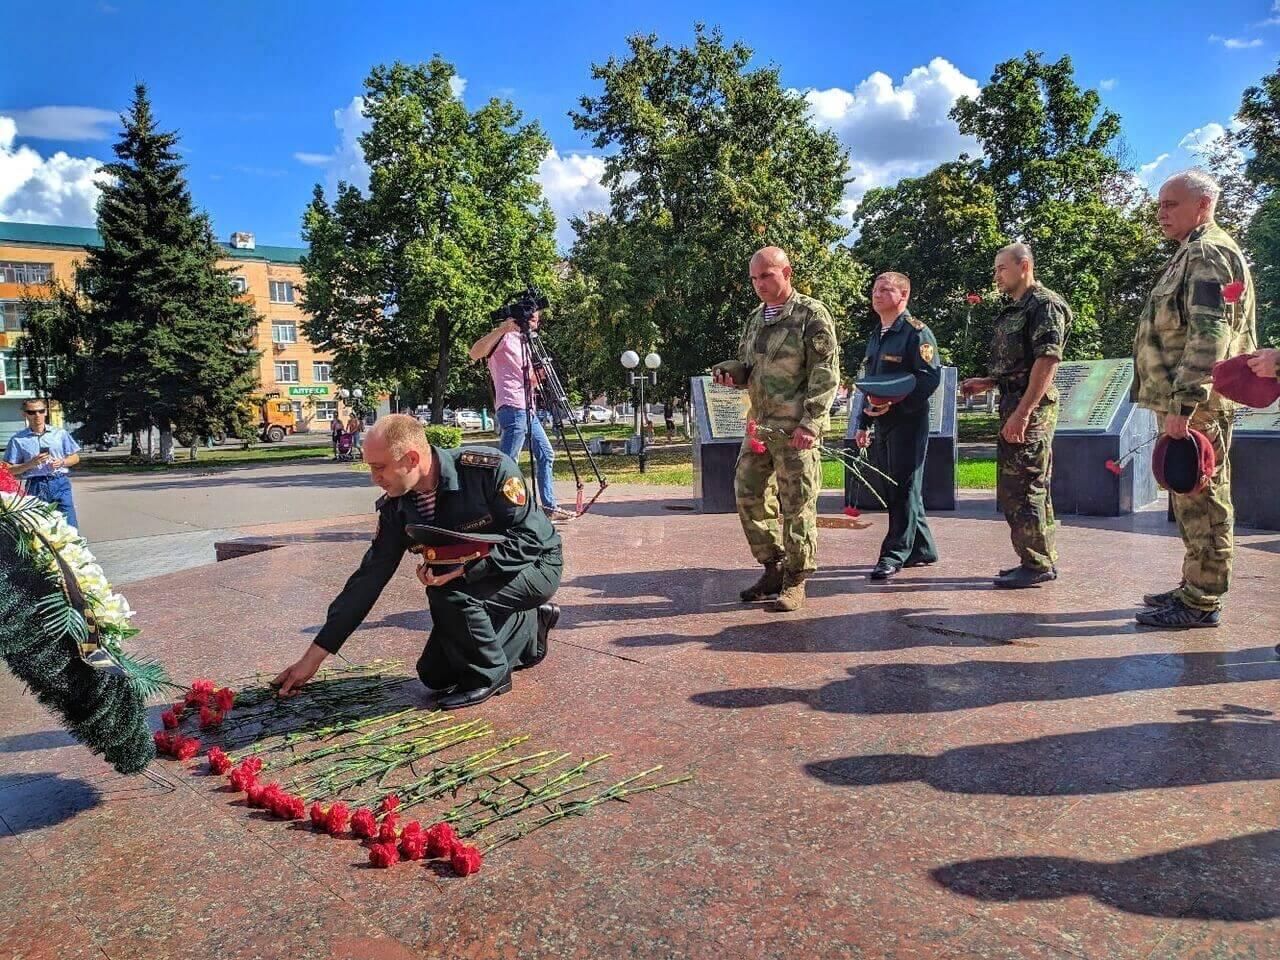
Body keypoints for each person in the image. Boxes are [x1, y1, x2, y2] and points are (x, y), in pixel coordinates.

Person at [273, 414, 562, 709]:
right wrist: (313, 658)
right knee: (435, 675)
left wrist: (466, 570)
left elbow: (530, 539)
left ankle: (490, 677)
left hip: (533, 565)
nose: (374, 479)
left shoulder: (486, 470)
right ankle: (529, 626)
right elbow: (369, 578)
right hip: (474, 580)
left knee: (449, 593)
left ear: (411, 458)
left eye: (379, 468)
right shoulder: (397, 504)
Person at [1131, 170, 1256, 628]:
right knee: (1190, 497)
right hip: (1188, 402)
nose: (1161, 212)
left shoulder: (1209, 252)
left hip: (1197, 403)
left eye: (1172, 204)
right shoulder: (1193, 251)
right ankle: (1195, 584)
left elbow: (1210, 334)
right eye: (1160, 204)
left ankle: (1203, 600)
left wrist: (1183, 403)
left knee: (1204, 499)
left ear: (1203, 204)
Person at [713, 246, 840, 613]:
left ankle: (796, 580)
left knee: (798, 504)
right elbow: (751, 368)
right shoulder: (755, 318)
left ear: (787, 273)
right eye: (754, 278)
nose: (759, 284)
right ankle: (773, 566)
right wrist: (734, 375)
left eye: (766, 275)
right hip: (760, 426)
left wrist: (812, 423)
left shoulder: (811, 315)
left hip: (795, 429)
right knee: (748, 495)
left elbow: (825, 373)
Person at [960, 243, 1071, 589]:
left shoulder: (1044, 304)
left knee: (1024, 487)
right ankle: (1037, 558)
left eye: (1001, 268)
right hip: (1013, 401)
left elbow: (1047, 361)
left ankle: (1036, 563)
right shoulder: (1016, 309)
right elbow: (1020, 362)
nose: (996, 276)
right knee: (1022, 486)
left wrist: (1024, 413)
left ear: (1024, 266)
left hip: (1030, 408)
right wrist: (989, 382)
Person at [853, 272, 942, 580]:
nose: (876, 295)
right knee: (902, 487)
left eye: (885, 290)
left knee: (901, 487)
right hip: (883, 421)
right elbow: (873, 383)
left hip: (909, 420)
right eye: (875, 289)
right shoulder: (877, 334)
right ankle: (922, 548)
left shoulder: (917, 333)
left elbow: (929, 378)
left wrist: (897, 405)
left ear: (903, 296)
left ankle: (894, 553)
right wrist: (864, 421)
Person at [468, 312, 575, 522]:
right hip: (512, 406)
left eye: (538, 318)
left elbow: (525, 379)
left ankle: (549, 506)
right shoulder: (504, 337)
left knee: (546, 454)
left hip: (528, 409)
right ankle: (498, 510)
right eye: (533, 318)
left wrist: (538, 377)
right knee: (508, 462)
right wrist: (503, 328)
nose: (537, 322)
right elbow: (474, 353)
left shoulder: (525, 344)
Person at [3, 398, 82, 527]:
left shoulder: (60, 434)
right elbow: (8, 469)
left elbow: (75, 458)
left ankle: (75, 547)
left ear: (46, 412)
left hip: (59, 482)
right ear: (24, 414)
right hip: (36, 485)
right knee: (40, 527)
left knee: (69, 525)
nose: (37, 415)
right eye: (32, 412)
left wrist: (62, 462)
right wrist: (30, 463)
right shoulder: (18, 440)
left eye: (41, 411)